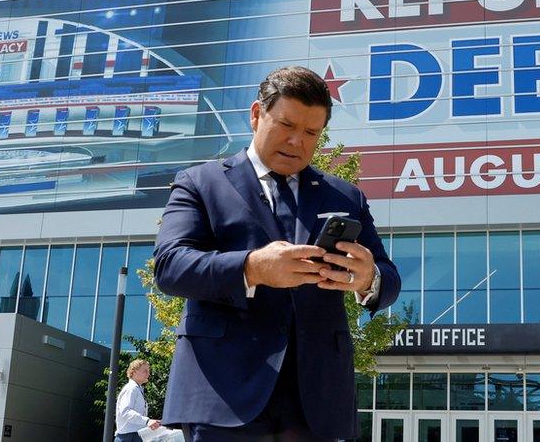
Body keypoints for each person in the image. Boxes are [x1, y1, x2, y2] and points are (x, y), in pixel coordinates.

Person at [154, 66, 400, 441]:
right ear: (256, 114)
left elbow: (388, 277)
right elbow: (171, 267)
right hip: (223, 391)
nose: (298, 142)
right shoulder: (198, 183)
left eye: (311, 133)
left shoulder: (346, 197)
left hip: (317, 399)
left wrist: (368, 278)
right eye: (286, 125)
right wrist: (252, 268)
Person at [115, 359, 161, 441]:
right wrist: (147, 421)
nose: (148, 373)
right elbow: (125, 412)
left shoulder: (137, 389)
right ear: (134, 371)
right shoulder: (131, 389)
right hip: (128, 437)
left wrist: (149, 422)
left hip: (134, 435)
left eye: (149, 371)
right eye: (145, 371)